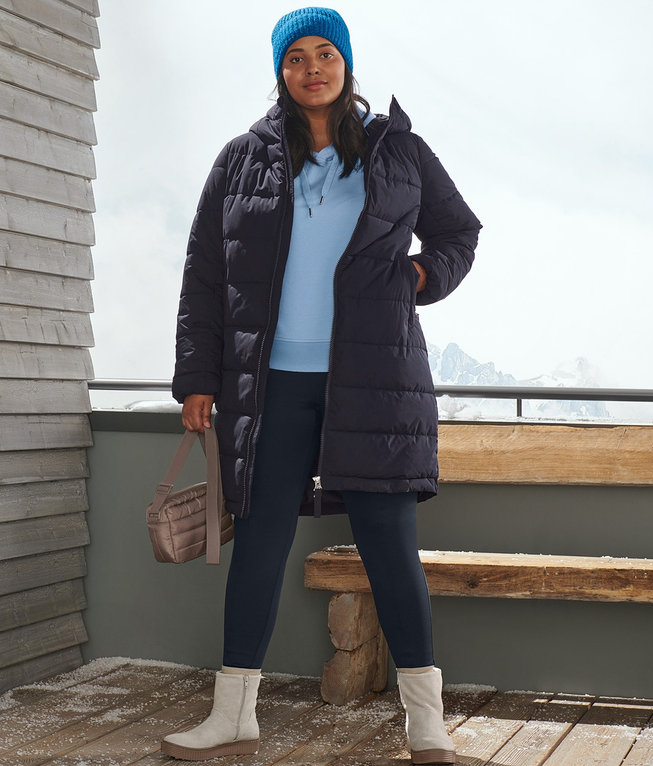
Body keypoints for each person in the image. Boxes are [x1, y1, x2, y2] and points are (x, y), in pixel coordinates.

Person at [163, 7, 481, 764]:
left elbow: (458, 232)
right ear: (280, 71)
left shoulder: (396, 150)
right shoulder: (241, 160)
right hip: (269, 387)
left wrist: (419, 274)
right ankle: (233, 713)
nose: (312, 69)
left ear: (346, 63)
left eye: (325, 54)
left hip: (372, 382)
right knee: (261, 548)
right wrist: (196, 378)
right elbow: (204, 272)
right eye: (296, 57)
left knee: (392, 553)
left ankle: (426, 723)